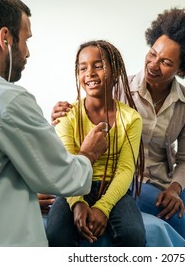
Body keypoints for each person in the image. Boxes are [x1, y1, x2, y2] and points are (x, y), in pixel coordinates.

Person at [0, 0, 107, 247]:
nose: (27, 52)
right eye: (26, 39)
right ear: (5, 38)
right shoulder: (7, 99)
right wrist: (88, 153)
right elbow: (63, 175)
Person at [51, 7, 185, 247]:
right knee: (179, 221)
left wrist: (175, 189)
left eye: (166, 62)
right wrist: (57, 114)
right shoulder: (116, 86)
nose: (154, 65)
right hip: (132, 180)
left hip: (164, 181)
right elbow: (80, 118)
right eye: (152, 54)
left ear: (181, 69)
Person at [46, 40, 146, 247]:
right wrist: (77, 203)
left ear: (116, 71)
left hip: (113, 189)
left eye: (98, 66)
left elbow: (125, 170)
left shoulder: (131, 118)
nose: (89, 73)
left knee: (133, 236)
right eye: (83, 68)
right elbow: (67, 165)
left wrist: (103, 207)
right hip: (73, 188)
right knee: (56, 236)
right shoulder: (68, 115)